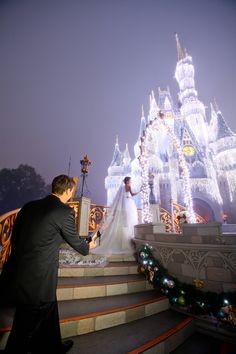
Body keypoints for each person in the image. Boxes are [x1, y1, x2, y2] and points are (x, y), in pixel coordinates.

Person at [0, 175, 96, 354]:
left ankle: (54, 346)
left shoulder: (29, 206)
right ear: (68, 191)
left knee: (49, 309)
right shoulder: (65, 212)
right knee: (24, 328)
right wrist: (90, 245)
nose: (71, 195)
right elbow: (80, 247)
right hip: (38, 279)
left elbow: (19, 237)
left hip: (18, 272)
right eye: (72, 192)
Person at [92, 176, 139, 255]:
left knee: (123, 220)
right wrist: (139, 192)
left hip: (123, 204)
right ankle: (127, 238)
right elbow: (132, 194)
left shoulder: (122, 187)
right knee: (129, 219)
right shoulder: (129, 186)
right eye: (130, 180)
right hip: (128, 203)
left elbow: (118, 198)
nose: (131, 181)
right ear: (128, 181)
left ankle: (123, 236)